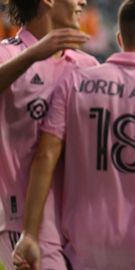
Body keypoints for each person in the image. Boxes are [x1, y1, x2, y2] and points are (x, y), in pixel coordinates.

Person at [12, 0, 135, 269]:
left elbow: (45, 155)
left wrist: (30, 233)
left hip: (82, 247)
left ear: (120, 38)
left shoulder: (74, 83)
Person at [0, 0, 98, 269]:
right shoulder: (7, 55)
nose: (83, 2)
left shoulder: (88, 64)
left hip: (83, 222)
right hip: (24, 222)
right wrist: (33, 55)